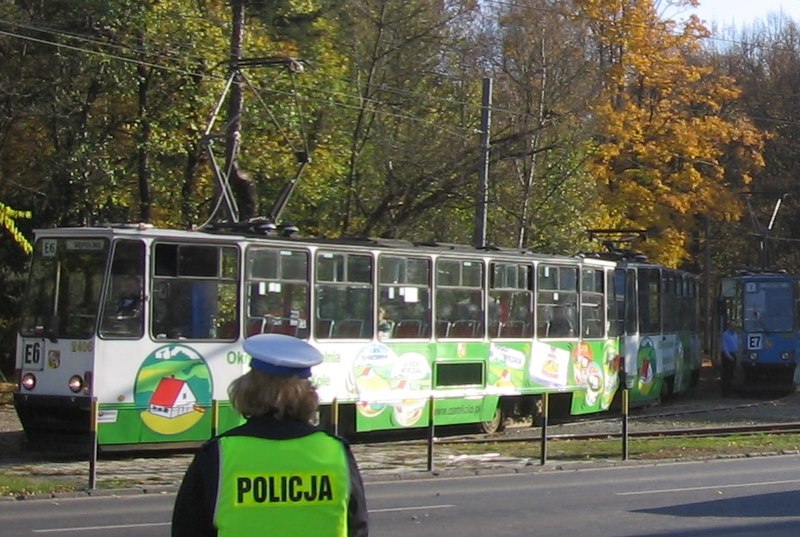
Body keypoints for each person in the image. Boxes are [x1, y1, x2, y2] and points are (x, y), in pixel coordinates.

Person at [172, 333, 369, 537]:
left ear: (246, 389)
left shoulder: (218, 454)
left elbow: (187, 529)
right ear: (309, 393)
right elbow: (358, 527)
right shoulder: (336, 451)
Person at [720, 322, 738, 397]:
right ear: (729, 327)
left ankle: (730, 391)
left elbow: (736, 344)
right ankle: (726, 393)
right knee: (727, 374)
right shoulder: (725, 335)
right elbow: (724, 347)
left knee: (731, 374)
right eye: (732, 326)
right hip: (727, 356)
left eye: (734, 327)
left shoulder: (735, 335)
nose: (733, 328)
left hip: (733, 354)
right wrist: (729, 356)